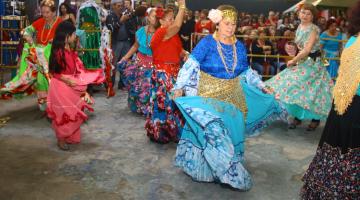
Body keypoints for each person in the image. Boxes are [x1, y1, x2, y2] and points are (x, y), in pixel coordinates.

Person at [172, 5, 287, 190]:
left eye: (233, 24)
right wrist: (179, 87)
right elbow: (190, 65)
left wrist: (262, 86)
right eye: (227, 23)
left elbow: (246, 72)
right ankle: (215, 170)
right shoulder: (207, 43)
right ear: (217, 24)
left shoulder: (239, 47)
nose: (231, 27)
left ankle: (227, 167)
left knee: (230, 132)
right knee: (213, 130)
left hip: (233, 96)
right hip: (208, 94)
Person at [301, 1, 360, 198]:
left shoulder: (344, 37)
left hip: (346, 98)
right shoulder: (350, 38)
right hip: (343, 100)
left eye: (307, 13)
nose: (334, 26)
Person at [265, 3, 333, 131]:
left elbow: (307, 50)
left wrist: (293, 60)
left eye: (308, 14)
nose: (305, 15)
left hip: (313, 63)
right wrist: (292, 52)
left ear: (313, 16)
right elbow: (299, 46)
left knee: (313, 90)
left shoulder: (313, 29)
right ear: (298, 13)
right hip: (303, 61)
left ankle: (315, 118)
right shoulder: (300, 27)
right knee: (297, 88)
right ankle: (298, 116)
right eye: (303, 12)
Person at [47, 21, 105, 151]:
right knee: (65, 113)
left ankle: (70, 136)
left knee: (74, 111)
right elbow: (54, 72)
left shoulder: (68, 49)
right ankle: (61, 138)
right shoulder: (58, 51)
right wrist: (68, 81)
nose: (75, 37)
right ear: (66, 35)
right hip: (60, 87)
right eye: (73, 34)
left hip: (70, 85)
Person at [0, 0, 62, 111]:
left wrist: (56, 40)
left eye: (47, 12)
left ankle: (53, 102)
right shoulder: (40, 21)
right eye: (43, 12)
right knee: (38, 78)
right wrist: (27, 35)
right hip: (38, 57)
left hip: (52, 56)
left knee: (47, 78)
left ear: (53, 12)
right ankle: (44, 102)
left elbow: (66, 37)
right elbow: (26, 30)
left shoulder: (60, 23)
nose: (45, 15)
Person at [145, 0, 187, 143]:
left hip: (174, 73)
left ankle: (171, 131)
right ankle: (163, 132)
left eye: (173, 18)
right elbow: (177, 26)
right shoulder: (162, 32)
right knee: (167, 104)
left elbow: (177, 50)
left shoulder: (172, 35)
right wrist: (182, 7)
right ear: (161, 21)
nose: (173, 21)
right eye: (170, 18)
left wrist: (185, 53)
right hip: (164, 74)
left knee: (172, 104)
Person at [120, 8, 158, 115]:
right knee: (138, 86)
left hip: (153, 64)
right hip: (140, 62)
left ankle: (149, 108)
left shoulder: (161, 32)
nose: (155, 19)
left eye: (157, 17)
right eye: (153, 16)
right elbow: (135, 46)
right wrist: (125, 58)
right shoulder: (141, 31)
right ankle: (139, 107)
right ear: (148, 17)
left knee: (150, 86)